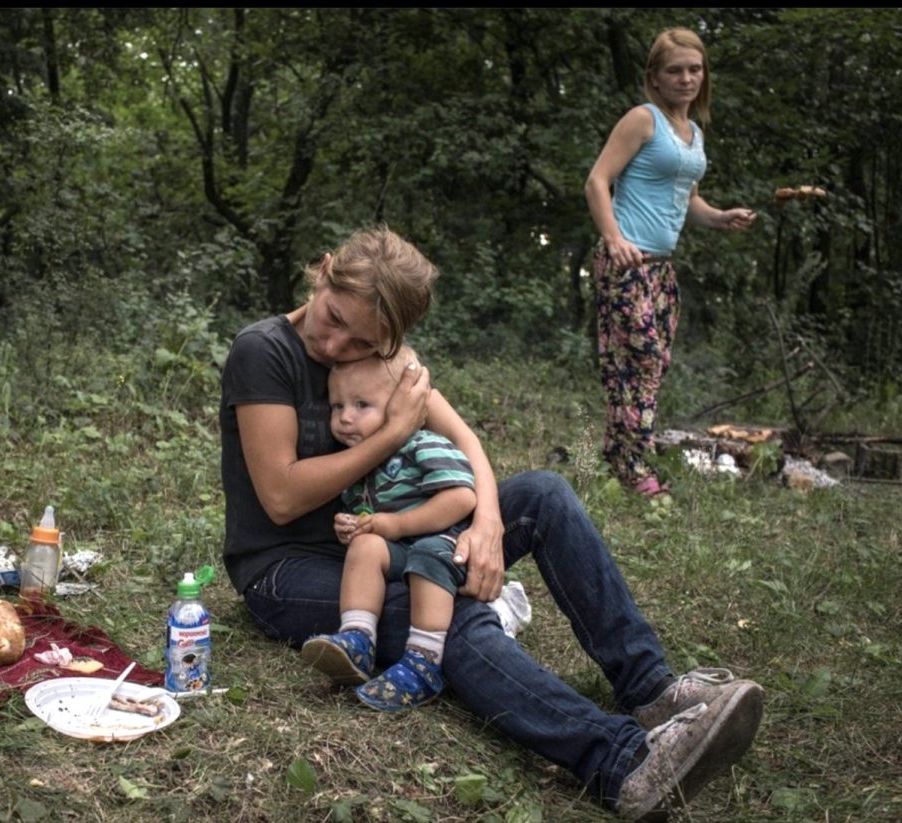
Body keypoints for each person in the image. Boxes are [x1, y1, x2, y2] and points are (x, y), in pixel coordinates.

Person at [220, 225, 764, 819]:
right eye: (333, 317)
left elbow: (467, 442)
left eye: (360, 339)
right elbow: (280, 497)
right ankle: (623, 763)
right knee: (451, 613)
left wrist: (486, 524)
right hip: (290, 569)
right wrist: (396, 433)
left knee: (545, 494)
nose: (336, 343)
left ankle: (651, 690)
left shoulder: (381, 351)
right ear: (322, 272)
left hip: (397, 537)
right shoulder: (264, 350)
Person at [584, 27, 757, 496]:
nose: (686, 78)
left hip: (661, 268)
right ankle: (635, 467)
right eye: (675, 70)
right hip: (627, 262)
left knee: (649, 367)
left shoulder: (693, 133)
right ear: (655, 78)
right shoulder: (643, 120)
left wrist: (721, 217)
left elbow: (687, 200)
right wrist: (613, 238)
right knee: (642, 360)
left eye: (694, 69)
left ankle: (620, 455)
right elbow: (597, 182)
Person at [301, 344, 477, 712]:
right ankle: (358, 639)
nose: (345, 418)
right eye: (338, 406)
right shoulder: (357, 466)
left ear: (402, 405)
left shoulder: (421, 444)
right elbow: (368, 515)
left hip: (443, 544)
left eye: (361, 405)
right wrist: (352, 526)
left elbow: (461, 498)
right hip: (400, 553)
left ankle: (424, 662)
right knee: (364, 547)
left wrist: (397, 524)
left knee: (429, 555)